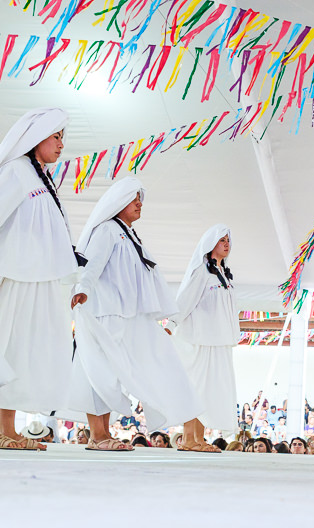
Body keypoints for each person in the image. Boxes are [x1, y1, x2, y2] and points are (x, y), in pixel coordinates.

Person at [69, 177, 202, 451]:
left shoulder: (128, 234)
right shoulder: (107, 230)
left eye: (141, 198)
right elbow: (90, 265)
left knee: (125, 371)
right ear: (118, 201)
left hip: (129, 315)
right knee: (99, 371)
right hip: (105, 313)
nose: (140, 204)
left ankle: (106, 432)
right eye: (134, 198)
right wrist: (82, 289)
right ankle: (98, 434)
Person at [0, 108, 79, 451]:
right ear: (36, 138)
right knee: (7, 347)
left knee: (24, 353)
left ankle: (9, 428)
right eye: (56, 136)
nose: (62, 144)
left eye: (63, 137)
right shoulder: (16, 171)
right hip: (16, 277)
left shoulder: (40, 178)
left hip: (38, 279)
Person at [165, 224, 238, 453]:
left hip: (217, 341)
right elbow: (184, 299)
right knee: (195, 388)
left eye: (228, 240)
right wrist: (171, 325)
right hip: (198, 339)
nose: (226, 244)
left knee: (209, 391)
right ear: (210, 244)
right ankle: (188, 439)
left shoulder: (224, 273)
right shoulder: (201, 271)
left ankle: (199, 438)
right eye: (221, 240)